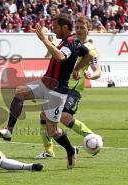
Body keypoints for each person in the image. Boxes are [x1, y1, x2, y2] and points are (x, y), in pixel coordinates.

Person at [0, 14, 91, 169]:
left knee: (52, 130)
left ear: (65, 27)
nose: (53, 30)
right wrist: (77, 68)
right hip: (45, 83)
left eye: (55, 27)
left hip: (57, 90)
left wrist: (45, 40)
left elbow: (61, 57)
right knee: (19, 92)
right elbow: (87, 54)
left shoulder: (70, 43)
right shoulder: (70, 43)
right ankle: (8, 130)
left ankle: (71, 150)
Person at [34, 16, 102, 159]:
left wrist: (92, 74)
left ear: (88, 29)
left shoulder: (90, 50)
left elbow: (97, 70)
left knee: (65, 117)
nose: (78, 29)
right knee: (43, 115)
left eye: (82, 27)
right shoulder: (69, 43)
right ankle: (48, 151)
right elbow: (52, 57)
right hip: (59, 86)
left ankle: (92, 137)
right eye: (76, 27)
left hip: (73, 89)